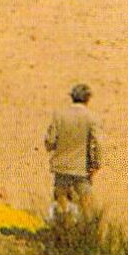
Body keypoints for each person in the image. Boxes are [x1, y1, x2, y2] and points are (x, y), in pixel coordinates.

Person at [45, 83, 103, 215]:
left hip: (61, 167)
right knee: (86, 207)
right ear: (87, 98)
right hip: (81, 168)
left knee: (61, 206)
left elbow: (50, 141)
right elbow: (97, 143)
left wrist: (57, 149)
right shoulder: (92, 117)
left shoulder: (59, 115)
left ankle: (63, 231)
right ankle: (85, 233)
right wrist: (96, 164)